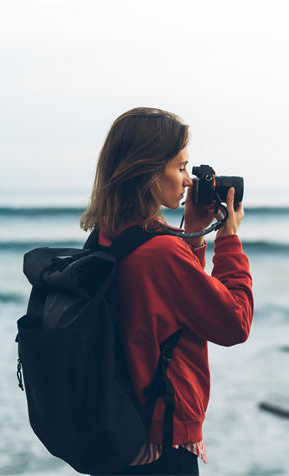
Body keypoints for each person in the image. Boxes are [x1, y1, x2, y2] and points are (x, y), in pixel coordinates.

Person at [80, 107, 254, 475]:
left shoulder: (107, 237)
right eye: (180, 168)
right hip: (162, 445)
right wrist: (229, 241)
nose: (189, 181)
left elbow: (161, 307)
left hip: (120, 433)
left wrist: (191, 230)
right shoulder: (161, 252)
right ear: (147, 171)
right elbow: (235, 322)